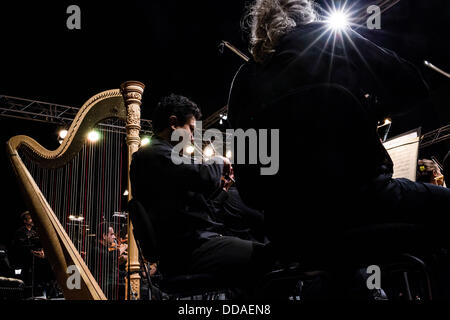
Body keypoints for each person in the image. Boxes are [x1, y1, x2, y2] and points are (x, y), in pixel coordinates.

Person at [228, 0, 450, 275]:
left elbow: (248, 186)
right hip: (365, 206)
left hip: (289, 231)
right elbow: (413, 84)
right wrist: (368, 107)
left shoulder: (244, 79)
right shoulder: (330, 40)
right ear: (307, 16)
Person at [130, 94, 274, 289]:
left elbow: (196, 210)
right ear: (173, 123)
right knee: (270, 259)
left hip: (191, 245)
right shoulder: (152, 154)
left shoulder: (162, 158)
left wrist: (223, 190)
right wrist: (218, 160)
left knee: (266, 260)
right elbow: (204, 177)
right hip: (188, 252)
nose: (192, 136)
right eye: (190, 128)